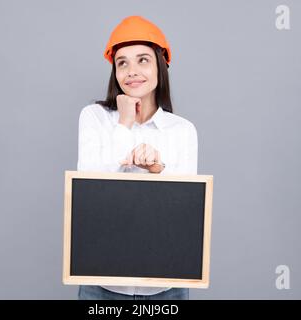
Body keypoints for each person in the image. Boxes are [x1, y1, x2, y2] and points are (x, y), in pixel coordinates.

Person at [76, 16, 198, 300]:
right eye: (122, 62)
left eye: (142, 60)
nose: (132, 71)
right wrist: (125, 123)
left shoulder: (182, 130)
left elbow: (186, 211)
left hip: (167, 287)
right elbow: (90, 187)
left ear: (160, 66)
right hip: (101, 284)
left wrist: (158, 169)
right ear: (114, 71)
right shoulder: (93, 118)